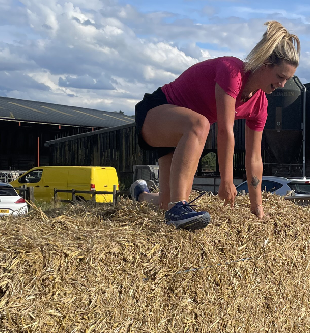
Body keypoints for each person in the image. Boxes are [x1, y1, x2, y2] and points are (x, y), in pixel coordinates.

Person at [129, 21, 300, 230]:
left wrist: (257, 207)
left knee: (165, 201)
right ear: (265, 64)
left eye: (287, 80)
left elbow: (254, 157)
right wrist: (226, 181)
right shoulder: (232, 72)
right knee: (200, 124)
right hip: (159, 112)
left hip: (183, 135)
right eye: (281, 77)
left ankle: (141, 194)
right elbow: (225, 131)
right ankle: (178, 208)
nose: (282, 85)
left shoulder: (261, 104)